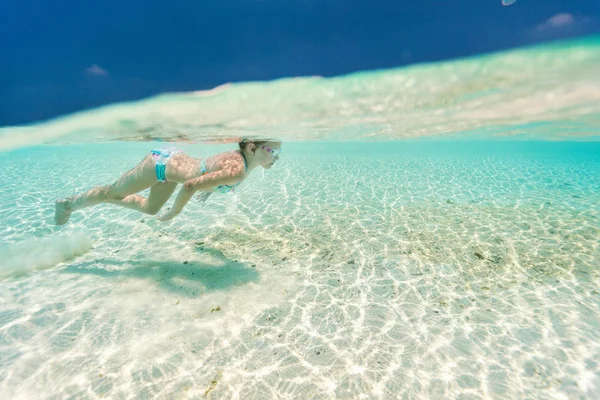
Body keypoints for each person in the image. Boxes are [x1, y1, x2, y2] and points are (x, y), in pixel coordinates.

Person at [54, 139, 282, 225]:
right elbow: (190, 185)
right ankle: (68, 204)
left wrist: (211, 188)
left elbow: (209, 172)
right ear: (252, 148)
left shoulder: (240, 161)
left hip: (170, 169)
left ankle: (107, 200)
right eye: (273, 150)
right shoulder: (238, 170)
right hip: (160, 164)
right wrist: (175, 211)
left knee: (151, 209)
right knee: (113, 191)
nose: (276, 156)